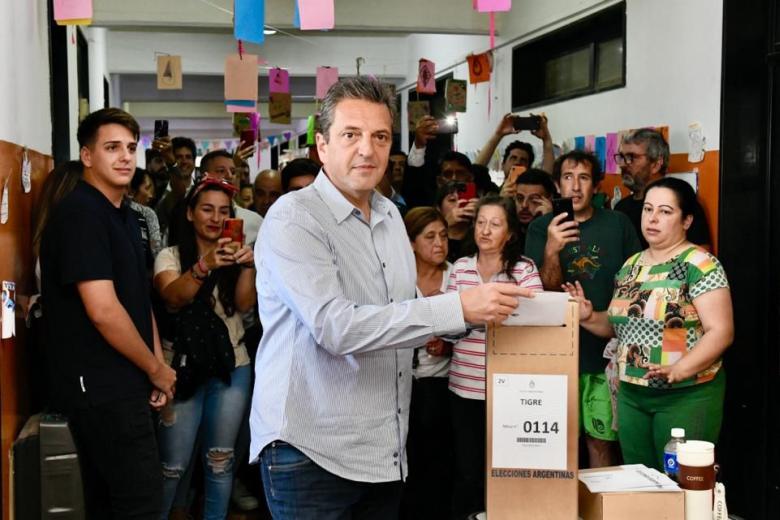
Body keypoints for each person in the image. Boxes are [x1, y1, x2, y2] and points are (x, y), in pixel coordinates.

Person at [251, 76, 533, 519]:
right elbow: (336, 328)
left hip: (384, 450)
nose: (368, 149)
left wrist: (478, 314)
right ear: (322, 146)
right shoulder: (295, 218)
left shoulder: (388, 216)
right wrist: (457, 307)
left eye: (380, 136)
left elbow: (401, 314)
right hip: (311, 451)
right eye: (351, 135)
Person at [40, 108, 176, 518]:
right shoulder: (82, 214)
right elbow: (102, 310)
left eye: (131, 148)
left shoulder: (123, 214)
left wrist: (156, 366)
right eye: (111, 147)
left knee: (122, 504)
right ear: (86, 155)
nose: (124, 157)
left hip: (127, 382)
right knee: (139, 506)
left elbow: (138, 298)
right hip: (100, 389)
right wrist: (154, 369)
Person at [564, 177, 733, 470]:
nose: (653, 219)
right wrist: (589, 316)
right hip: (632, 394)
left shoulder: (700, 264)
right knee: (640, 482)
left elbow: (721, 332)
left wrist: (681, 368)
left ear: (687, 220)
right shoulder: (632, 265)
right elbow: (620, 329)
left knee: (683, 485)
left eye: (666, 212)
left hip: (686, 394)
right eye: (648, 210)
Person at [525, 150, 642, 468]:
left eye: (584, 178)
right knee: (557, 442)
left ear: (596, 186)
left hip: (605, 351)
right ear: (557, 186)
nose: (575, 187)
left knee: (601, 441)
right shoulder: (541, 229)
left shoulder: (618, 224)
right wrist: (552, 250)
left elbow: (636, 283)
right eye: (567, 177)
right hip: (556, 353)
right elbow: (542, 294)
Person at [153, 176, 257, 519]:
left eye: (223, 212)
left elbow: (243, 305)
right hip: (179, 368)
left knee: (220, 460)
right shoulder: (170, 256)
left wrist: (248, 267)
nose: (215, 218)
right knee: (173, 465)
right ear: (189, 214)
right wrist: (204, 265)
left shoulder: (236, 256)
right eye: (207, 209)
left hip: (233, 364)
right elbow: (173, 296)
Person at [446, 194, 543, 517]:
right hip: (465, 387)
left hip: (511, 388)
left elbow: (538, 325)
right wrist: (470, 320)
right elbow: (446, 324)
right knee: (468, 470)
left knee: (506, 469)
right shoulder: (460, 268)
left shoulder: (523, 270)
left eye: (495, 224)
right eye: (481, 223)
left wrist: (493, 321)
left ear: (511, 233)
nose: (485, 231)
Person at [401, 207, 455, 520]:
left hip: (442, 382)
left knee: (438, 460)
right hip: (404, 380)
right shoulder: (400, 278)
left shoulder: (457, 274)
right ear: (410, 243)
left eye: (444, 236)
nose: (439, 243)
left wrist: (448, 343)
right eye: (430, 236)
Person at [615, 128, 711, 249]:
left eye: (631, 157)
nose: (623, 164)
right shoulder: (620, 208)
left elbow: (701, 259)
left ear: (655, 164)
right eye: (622, 157)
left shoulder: (682, 203)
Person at [473, 113, 555, 197]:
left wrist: (546, 139)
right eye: (513, 158)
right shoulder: (493, 193)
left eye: (523, 160)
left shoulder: (533, 196)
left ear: (528, 168)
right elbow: (476, 171)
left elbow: (547, 177)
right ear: (503, 165)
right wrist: (498, 135)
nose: (518, 162)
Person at [513, 168, 557, 251]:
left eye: (534, 199)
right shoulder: (507, 229)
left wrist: (547, 221)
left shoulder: (561, 229)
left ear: (549, 200)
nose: (524, 205)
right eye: (520, 198)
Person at [436, 182, 477, 263]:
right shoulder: (433, 237)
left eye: (464, 199)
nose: (459, 204)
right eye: (452, 200)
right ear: (438, 208)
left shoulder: (479, 236)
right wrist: (445, 226)